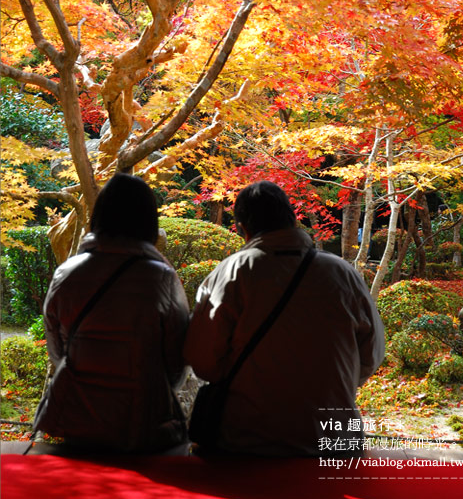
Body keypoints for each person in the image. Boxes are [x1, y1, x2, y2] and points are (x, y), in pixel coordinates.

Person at [184, 181, 384, 456]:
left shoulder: (230, 273)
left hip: (244, 440)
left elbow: (203, 360)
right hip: (333, 442)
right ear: (292, 219)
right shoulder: (342, 273)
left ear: (243, 227)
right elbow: (372, 354)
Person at [41, 173, 190, 452]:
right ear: (148, 221)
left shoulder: (67, 273)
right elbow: (176, 361)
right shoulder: (160, 277)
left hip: (79, 421)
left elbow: (58, 351)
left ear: (99, 216)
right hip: (144, 424)